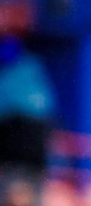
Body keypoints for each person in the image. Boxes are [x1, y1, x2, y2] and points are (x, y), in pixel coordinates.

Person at [0, 37, 55, 176]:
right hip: (15, 128)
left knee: (29, 173)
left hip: (29, 129)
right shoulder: (27, 66)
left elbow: (45, 104)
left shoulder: (30, 65)